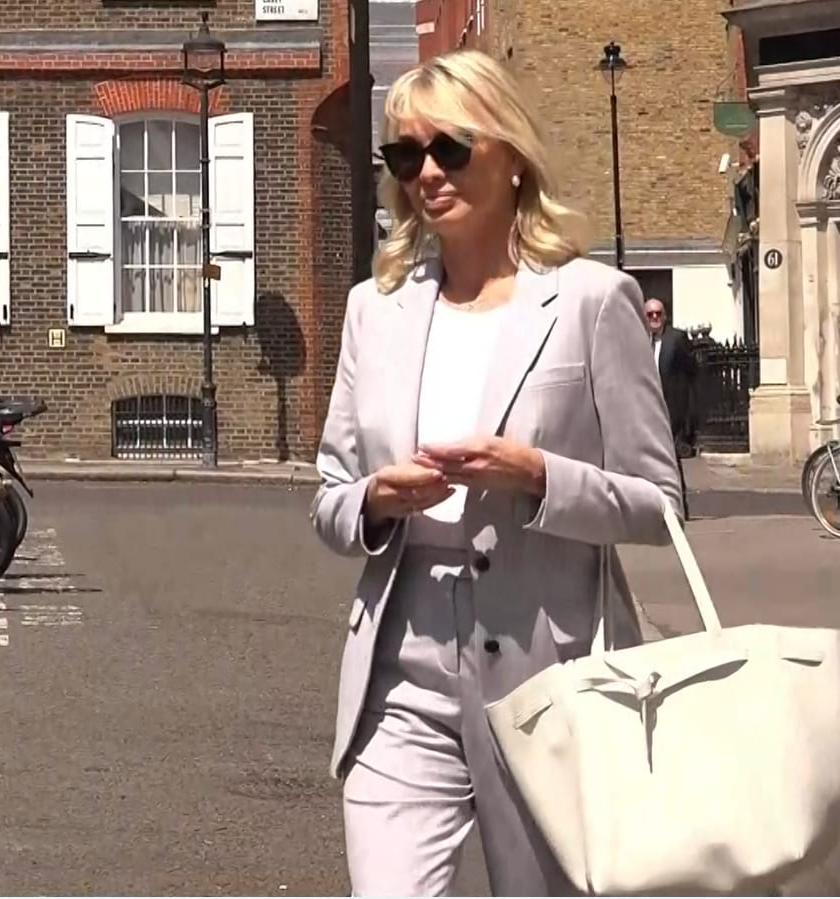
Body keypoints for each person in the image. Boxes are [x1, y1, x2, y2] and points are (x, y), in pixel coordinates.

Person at [310, 49, 682, 896]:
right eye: (406, 156)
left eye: (451, 148)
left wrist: (540, 475)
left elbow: (658, 502)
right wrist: (374, 500)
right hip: (401, 678)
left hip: (548, 679)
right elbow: (329, 494)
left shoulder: (591, 299)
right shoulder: (377, 309)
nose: (427, 173)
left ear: (510, 153)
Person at [645, 298, 698, 520]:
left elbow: (692, 372)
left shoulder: (676, 339)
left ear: (665, 316)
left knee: (671, 459)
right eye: (650, 315)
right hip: (646, 411)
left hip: (670, 410)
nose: (655, 318)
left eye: (659, 314)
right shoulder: (638, 341)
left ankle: (679, 506)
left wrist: (687, 412)